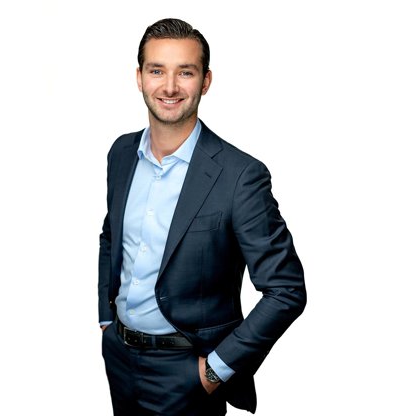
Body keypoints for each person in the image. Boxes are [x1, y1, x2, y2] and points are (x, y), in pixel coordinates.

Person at [99, 18, 306, 416]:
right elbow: (112, 236)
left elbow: (286, 290)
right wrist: (107, 319)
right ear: (139, 77)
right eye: (157, 70)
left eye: (185, 72)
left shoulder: (240, 176)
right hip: (119, 358)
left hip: (187, 372)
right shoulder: (121, 153)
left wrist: (213, 372)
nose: (170, 86)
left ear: (205, 81)